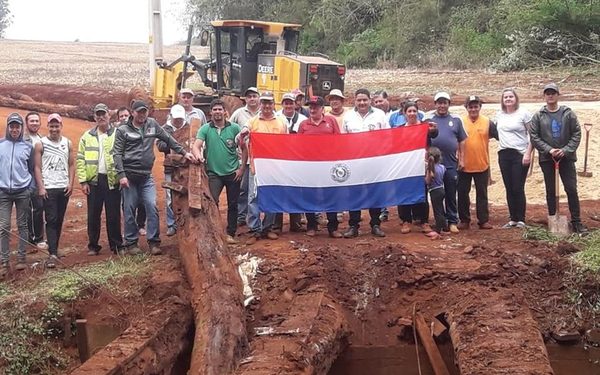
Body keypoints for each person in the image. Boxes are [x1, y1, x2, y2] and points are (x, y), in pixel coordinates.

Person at [113, 100, 196, 256]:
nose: (142, 114)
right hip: (129, 177)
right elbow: (116, 153)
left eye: (144, 111)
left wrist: (184, 153)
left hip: (146, 176)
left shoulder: (151, 124)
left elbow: (168, 139)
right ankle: (131, 242)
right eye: (139, 112)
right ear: (133, 112)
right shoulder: (123, 130)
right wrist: (121, 175)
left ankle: (154, 242)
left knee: (151, 206)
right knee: (129, 208)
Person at [530, 83, 587, 234]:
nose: (550, 95)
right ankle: (553, 219)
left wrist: (565, 150)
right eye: (547, 93)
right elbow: (534, 136)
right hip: (547, 159)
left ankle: (576, 221)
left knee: (571, 188)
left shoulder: (568, 113)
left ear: (558, 95)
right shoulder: (538, 115)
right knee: (551, 190)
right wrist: (549, 150)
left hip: (566, 159)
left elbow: (576, 133)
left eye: (553, 93)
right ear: (544, 96)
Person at [192, 99, 247, 244]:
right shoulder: (205, 129)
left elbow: (244, 147)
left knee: (233, 204)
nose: (217, 112)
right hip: (214, 173)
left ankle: (230, 232)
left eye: (220, 109)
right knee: (212, 202)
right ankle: (214, 230)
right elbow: (196, 145)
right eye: (214, 109)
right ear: (210, 112)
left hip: (233, 173)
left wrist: (241, 168)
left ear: (224, 112)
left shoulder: (234, 128)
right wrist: (198, 155)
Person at [241, 92, 288, 245]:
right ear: (260, 104)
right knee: (253, 197)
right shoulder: (252, 121)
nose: (267, 106)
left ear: (274, 104)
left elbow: (287, 143)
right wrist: (243, 133)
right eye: (264, 103)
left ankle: (268, 228)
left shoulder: (281, 122)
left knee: (271, 196)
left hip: (274, 167)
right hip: (256, 166)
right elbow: (240, 137)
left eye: (270, 103)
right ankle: (255, 229)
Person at [77, 103, 123, 256]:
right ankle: (93, 246)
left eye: (104, 114)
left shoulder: (117, 134)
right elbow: (80, 159)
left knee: (113, 214)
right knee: (93, 215)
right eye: (98, 114)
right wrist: (83, 181)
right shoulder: (87, 137)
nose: (101, 117)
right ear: (94, 117)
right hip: (94, 181)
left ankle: (116, 245)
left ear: (109, 115)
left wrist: (122, 176)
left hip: (112, 180)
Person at [341, 88, 389, 238]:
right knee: (354, 194)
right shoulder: (348, 116)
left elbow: (387, 137)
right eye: (359, 100)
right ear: (354, 101)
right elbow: (343, 140)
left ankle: (375, 224)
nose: (362, 103)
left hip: (374, 162)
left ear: (370, 100)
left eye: (364, 100)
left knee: (374, 193)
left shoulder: (380, 115)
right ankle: (353, 226)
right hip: (354, 163)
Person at [297, 96, 342, 238]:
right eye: (310, 107)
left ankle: (333, 227)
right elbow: (297, 145)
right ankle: (311, 225)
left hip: (328, 165)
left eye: (316, 106)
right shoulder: (303, 124)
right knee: (309, 195)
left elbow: (339, 141)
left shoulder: (331, 121)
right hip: (309, 166)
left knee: (331, 195)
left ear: (323, 109)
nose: (312, 109)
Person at [34, 113, 75, 269]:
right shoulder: (40, 144)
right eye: (51, 126)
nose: (54, 129)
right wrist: (41, 187)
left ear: (61, 126)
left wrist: (70, 183)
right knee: (51, 219)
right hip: (49, 188)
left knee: (59, 219)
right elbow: (37, 167)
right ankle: (52, 254)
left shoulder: (68, 143)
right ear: (48, 127)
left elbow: (71, 165)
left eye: (56, 126)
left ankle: (54, 248)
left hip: (63, 187)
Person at [426, 92, 467, 234]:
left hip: (450, 162)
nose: (442, 105)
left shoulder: (456, 119)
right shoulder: (428, 119)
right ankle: (440, 221)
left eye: (445, 102)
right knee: (436, 193)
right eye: (439, 102)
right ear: (435, 104)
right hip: (433, 164)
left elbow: (462, 140)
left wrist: (461, 159)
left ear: (449, 104)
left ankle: (452, 221)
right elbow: (423, 139)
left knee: (451, 191)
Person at [0, 113, 35, 276]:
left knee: (22, 225)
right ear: (8, 127)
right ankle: (4, 261)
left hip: (22, 191)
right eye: (12, 126)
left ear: (21, 128)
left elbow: (33, 168)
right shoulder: (1, 144)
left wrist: (30, 188)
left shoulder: (28, 146)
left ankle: (21, 258)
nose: (14, 129)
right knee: (4, 226)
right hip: (4, 192)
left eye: (17, 126)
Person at [395, 101, 437, 236]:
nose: (412, 114)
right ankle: (406, 220)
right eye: (409, 111)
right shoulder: (400, 129)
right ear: (404, 113)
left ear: (417, 112)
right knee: (404, 193)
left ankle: (424, 221)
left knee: (422, 192)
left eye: (414, 111)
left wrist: (434, 130)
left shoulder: (425, 127)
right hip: (405, 166)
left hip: (421, 165)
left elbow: (434, 134)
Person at [495, 88, 533, 228]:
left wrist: (528, 153)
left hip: (520, 154)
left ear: (516, 98)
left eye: (511, 96)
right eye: (505, 97)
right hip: (504, 154)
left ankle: (521, 219)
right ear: (502, 100)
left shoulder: (524, 113)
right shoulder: (499, 115)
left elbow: (532, 135)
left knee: (518, 187)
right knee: (509, 187)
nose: (508, 99)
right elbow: (494, 132)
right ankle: (513, 219)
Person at [458, 96, 497, 230]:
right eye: (470, 106)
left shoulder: (487, 122)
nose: (473, 109)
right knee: (463, 194)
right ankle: (464, 220)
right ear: (466, 107)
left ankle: (483, 220)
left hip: (482, 164)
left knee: (482, 194)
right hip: (463, 165)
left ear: (480, 107)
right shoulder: (460, 122)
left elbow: (498, 136)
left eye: (476, 106)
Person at [274, 92, 306, 232]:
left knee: (296, 191)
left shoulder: (303, 119)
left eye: (291, 103)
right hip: (279, 161)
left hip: (297, 161)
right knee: (278, 190)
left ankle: (296, 223)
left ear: (295, 104)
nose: (288, 105)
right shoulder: (275, 118)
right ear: (282, 104)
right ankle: (276, 225)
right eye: (286, 103)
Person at [230, 87, 260, 227]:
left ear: (258, 98)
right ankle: (242, 216)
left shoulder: (264, 113)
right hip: (244, 158)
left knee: (258, 190)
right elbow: (230, 128)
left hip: (261, 159)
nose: (252, 99)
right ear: (245, 99)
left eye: (254, 96)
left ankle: (256, 216)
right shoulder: (238, 113)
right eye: (249, 97)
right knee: (243, 189)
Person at [156, 104, 187, 237]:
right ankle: (171, 224)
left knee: (185, 195)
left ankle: (183, 222)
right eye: (176, 119)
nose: (178, 121)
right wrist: (174, 142)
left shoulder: (188, 127)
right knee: (170, 196)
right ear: (172, 117)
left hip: (185, 167)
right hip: (170, 167)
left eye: (180, 119)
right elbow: (160, 145)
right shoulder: (164, 129)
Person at [116, 106, 146, 235]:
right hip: (123, 172)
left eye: (126, 115)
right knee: (127, 203)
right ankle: (130, 228)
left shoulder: (139, 129)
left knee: (142, 200)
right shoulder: (117, 132)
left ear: (131, 115)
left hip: (140, 171)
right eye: (121, 116)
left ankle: (140, 225)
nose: (124, 118)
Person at [23, 111, 47, 250]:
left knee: (38, 207)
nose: (34, 123)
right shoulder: (22, 139)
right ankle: (28, 237)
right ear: (26, 123)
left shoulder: (42, 139)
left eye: (36, 121)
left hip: (38, 177)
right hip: (25, 177)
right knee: (25, 208)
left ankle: (38, 237)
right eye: (31, 121)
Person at [426, 147, 448, 238]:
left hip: (434, 191)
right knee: (441, 209)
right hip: (441, 189)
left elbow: (427, 181)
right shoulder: (442, 167)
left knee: (437, 210)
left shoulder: (430, 169)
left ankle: (438, 230)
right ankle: (444, 226)